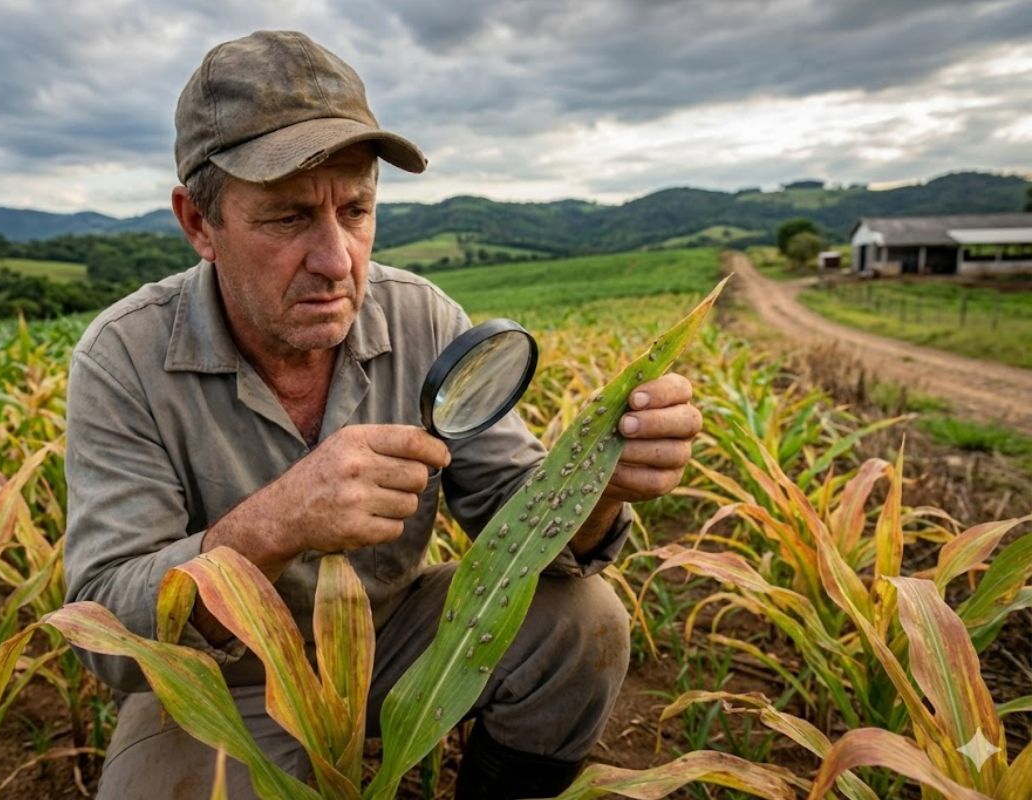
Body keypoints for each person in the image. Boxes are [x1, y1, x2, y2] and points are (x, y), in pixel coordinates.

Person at [64, 30, 702, 800]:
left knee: (580, 622)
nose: (337, 260)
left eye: (357, 209)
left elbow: (517, 518)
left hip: (393, 636)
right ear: (199, 225)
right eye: (287, 218)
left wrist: (602, 483)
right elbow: (105, 633)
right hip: (222, 680)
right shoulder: (122, 359)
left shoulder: (424, 318)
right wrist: (276, 524)